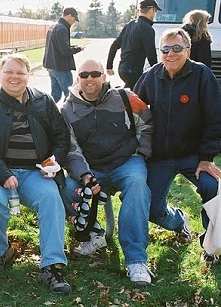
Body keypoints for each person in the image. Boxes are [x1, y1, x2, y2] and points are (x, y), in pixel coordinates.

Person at [0, 53, 72, 294]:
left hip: (34, 173)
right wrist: (2, 173)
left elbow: (61, 135)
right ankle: (0, 251)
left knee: (51, 199)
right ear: (0, 74)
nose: (14, 77)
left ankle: (52, 265)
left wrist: (53, 161)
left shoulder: (43, 101)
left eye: (20, 72)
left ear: (28, 75)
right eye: (9, 72)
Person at [133, 28, 221, 265]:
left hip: (194, 156)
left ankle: (210, 245)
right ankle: (179, 221)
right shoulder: (150, 76)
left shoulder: (202, 75)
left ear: (188, 50)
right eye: (165, 49)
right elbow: (133, 112)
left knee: (211, 187)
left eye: (177, 48)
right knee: (153, 209)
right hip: (160, 157)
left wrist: (206, 158)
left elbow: (217, 120)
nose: (170, 54)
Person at [58, 59, 154, 285]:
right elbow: (71, 148)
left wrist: (141, 154)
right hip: (91, 168)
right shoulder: (67, 109)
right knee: (66, 187)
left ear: (104, 76)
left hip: (126, 162)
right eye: (84, 74)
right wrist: (85, 175)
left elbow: (147, 125)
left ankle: (136, 260)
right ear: (77, 79)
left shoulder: (126, 98)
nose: (89, 78)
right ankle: (94, 233)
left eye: (95, 73)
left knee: (138, 185)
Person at [180, 10, 221, 153]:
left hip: (180, 78)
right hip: (198, 79)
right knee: (208, 112)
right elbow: (205, 63)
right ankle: (216, 145)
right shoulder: (202, 37)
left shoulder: (181, 34)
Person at [106, 0, 162, 89]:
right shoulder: (147, 28)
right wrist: (158, 72)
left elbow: (114, 45)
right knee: (131, 99)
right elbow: (151, 54)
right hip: (134, 72)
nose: (154, 15)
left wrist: (109, 66)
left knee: (133, 95)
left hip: (122, 69)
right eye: (155, 11)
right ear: (151, 10)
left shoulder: (129, 25)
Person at [43, 7, 84, 103]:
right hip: (61, 67)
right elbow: (65, 51)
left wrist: (72, 46)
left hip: (51, 66)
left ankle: (46, 114)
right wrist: (78, 49)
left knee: (55, 95)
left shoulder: (54, 26)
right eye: (74, 19)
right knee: (70, 95)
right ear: (70, 16)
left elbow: (57, 46)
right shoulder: (62, 28)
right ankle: (68, 116)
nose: (74, 22)